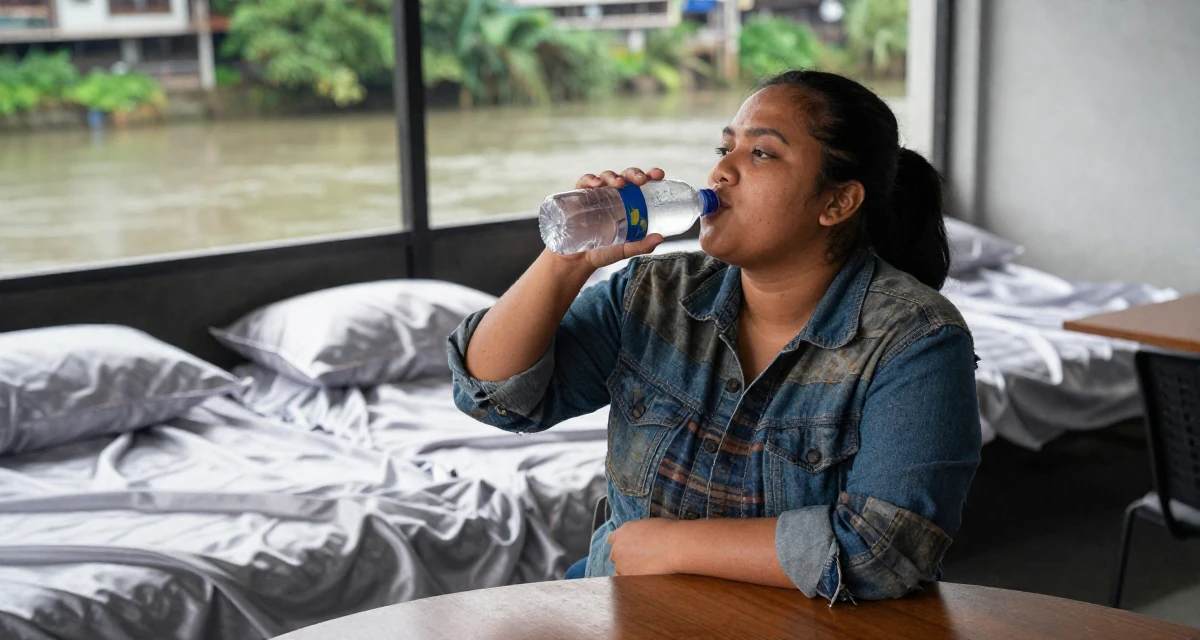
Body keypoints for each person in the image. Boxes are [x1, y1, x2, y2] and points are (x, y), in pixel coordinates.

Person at [447, 70, 981, 602]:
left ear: (837, 202)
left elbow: (884, 551)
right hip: (629, 618)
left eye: (762, 154)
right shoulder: (654, 291)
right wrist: (568, 263)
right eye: (725, 147)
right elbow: (498, 399)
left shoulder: (917, 340)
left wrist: (670, 548)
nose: (722, 170)